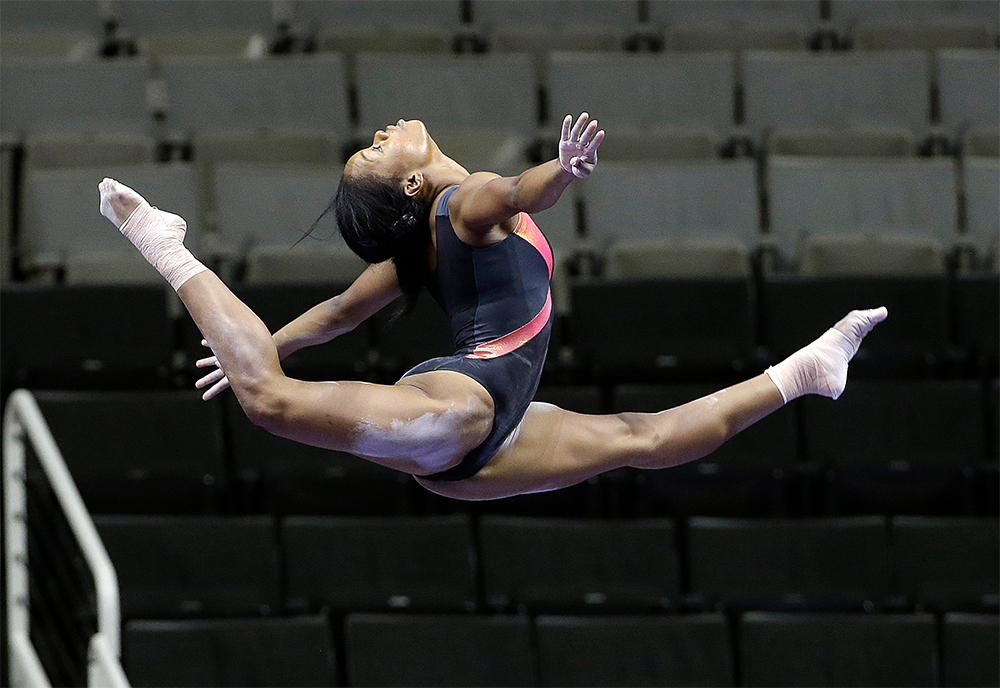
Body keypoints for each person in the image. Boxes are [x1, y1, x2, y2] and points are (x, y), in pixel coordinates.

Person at [98, 113, 887, 502]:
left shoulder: (430, 241)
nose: (379, 132)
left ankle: (807, 371)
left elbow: (339, 313)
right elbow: (514, 191)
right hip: (465, 407)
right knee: (265, 397)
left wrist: (265, 343)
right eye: (375, 151)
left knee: (641, 438)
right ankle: (165, 243)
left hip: (482, 439)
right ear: (413, 184)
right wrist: (565, 172)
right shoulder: (465, 204)